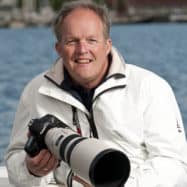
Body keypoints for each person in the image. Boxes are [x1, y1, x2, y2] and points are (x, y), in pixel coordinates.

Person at [5, 0, 187, 187]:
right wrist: (30, 170)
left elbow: (174, 165)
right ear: (58, 49)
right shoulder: (36, 91)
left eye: (92, 40)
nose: (82, 50)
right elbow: (14, 164)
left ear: (107, 45)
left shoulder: (150, 87)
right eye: (72, 41)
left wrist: (120, 184)